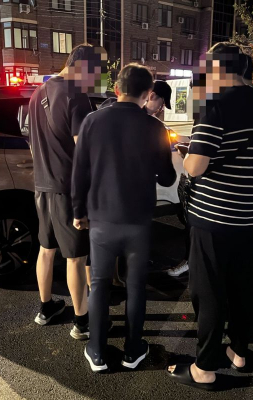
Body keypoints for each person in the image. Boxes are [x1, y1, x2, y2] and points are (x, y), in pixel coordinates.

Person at [166, 43, 253, 390]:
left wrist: (183, 154)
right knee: (242, 286)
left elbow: (196, 167)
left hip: (212, 218)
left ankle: (204, 368)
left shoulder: (216, 105)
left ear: (217, 69)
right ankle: (239, 352)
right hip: (247, 219)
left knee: (209, 291)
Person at [72, 64, 176, 372]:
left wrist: (78, 212)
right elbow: (168, 178)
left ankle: (96, 352)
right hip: (139, 220)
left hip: (101, 218)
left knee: (100, 284)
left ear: (117, 89)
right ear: (147, 94)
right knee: (136, 286)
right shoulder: (155, 127)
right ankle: (133, 352)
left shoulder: (92, 121)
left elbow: (79, 173)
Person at [28, 44, 107, 340]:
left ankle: (46, 308)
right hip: (68, 189)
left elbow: (32, 143)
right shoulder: (75, 94)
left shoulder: (38, 93)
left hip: (42, 186)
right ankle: (82, 322)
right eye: (96, 72)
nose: (96, 78)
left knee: (45, 250)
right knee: (77, 257)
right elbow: (83, 150)